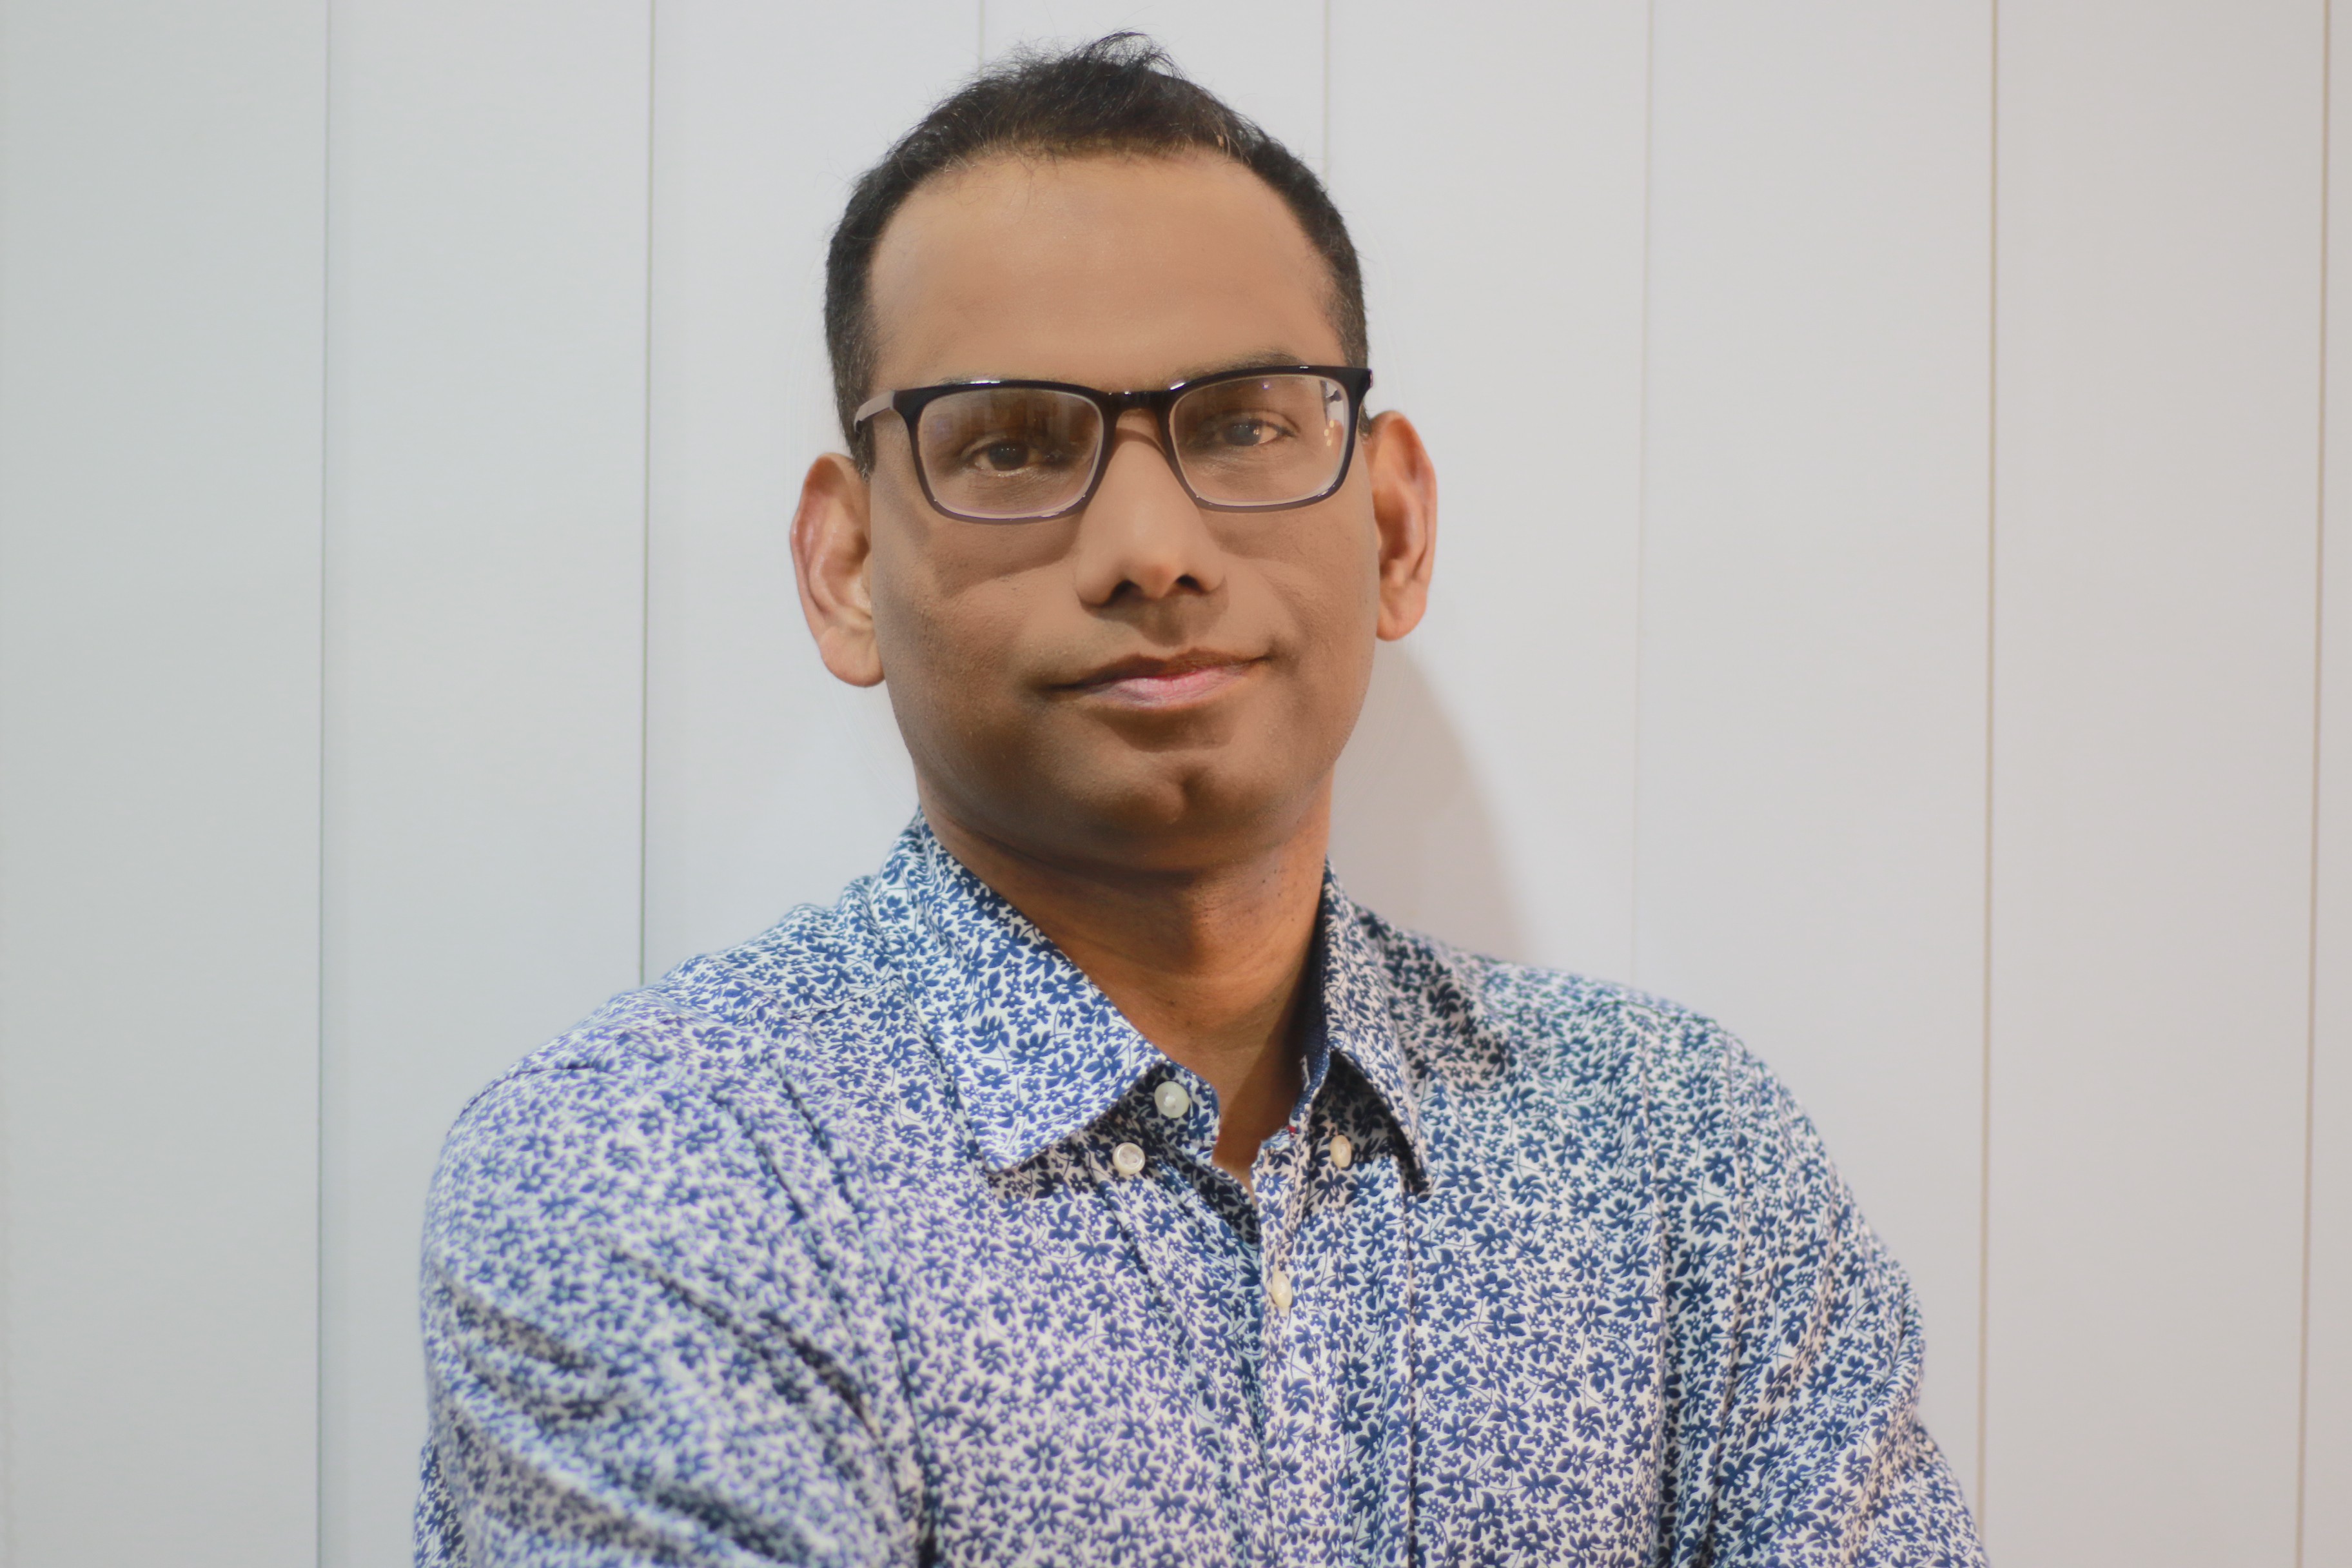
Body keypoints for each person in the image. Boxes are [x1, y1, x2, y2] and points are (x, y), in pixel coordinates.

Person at [415, 34, 1986, 1567]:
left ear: (1394, 528)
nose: (1151, 550)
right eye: (1011, 445)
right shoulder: (660, 1167)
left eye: (1242, 424)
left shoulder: (1680, 1159)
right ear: (845, 568)